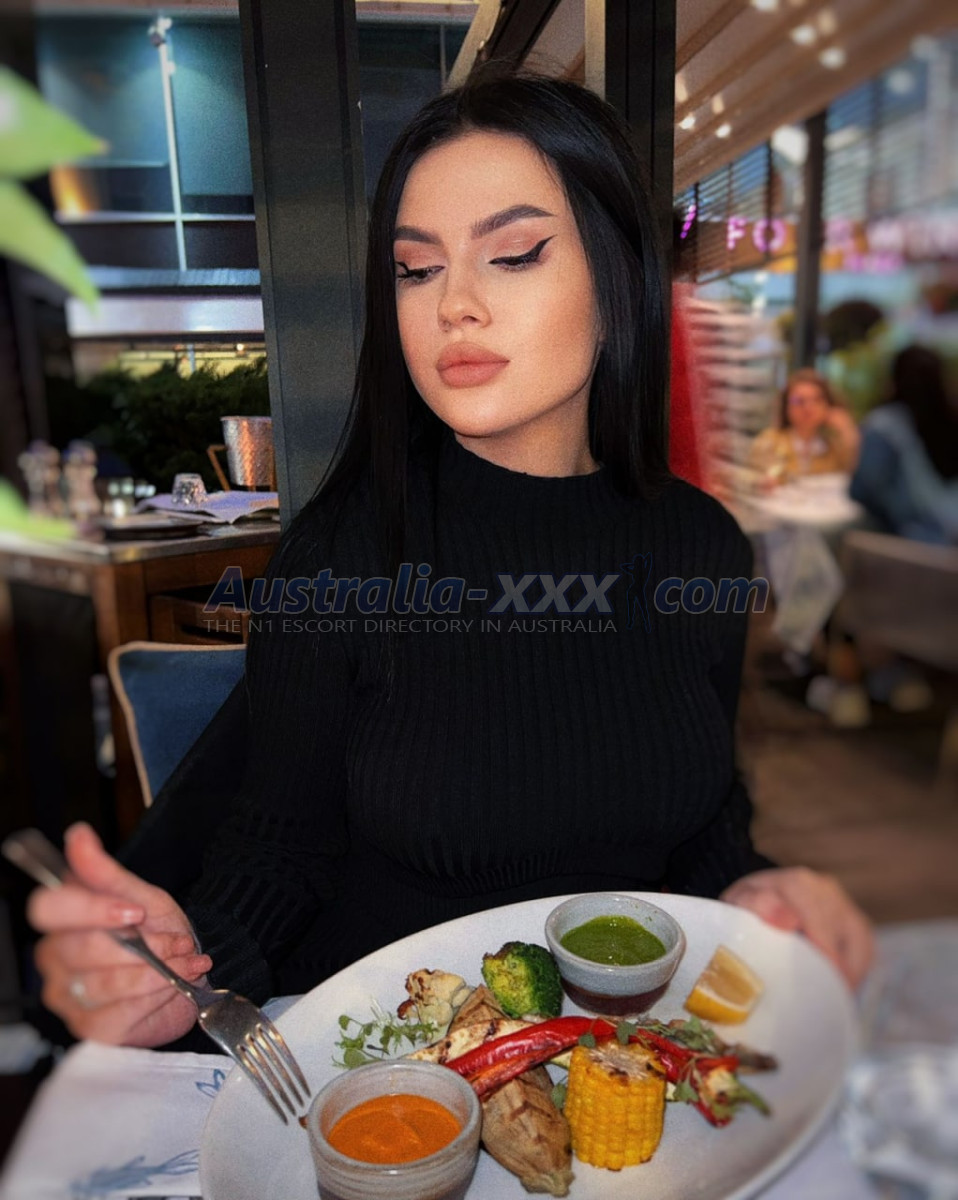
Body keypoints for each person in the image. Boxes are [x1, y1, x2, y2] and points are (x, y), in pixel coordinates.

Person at [27, 70, 873, 1050]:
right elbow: (278, 854)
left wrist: (758, 891)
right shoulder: (341, 558)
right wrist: (182, 973)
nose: (454, 306)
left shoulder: (703, 549)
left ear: (619, 279)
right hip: (391, 1068)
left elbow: (700, 829)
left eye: (512, 255)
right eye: (416, 269)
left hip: (625, 1065)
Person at [850, 344, 958, 545]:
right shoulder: (950, 421)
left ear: (894, 379)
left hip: (909, 545)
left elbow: (861, 490)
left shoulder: (884, 426)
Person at [749, 368, 860, 486]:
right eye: (798, 401)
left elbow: (858, 479)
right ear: (786, 406)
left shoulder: (836, 447)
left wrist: (847, 430)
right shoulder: (769, 441)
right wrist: (761, 482)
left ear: (828, 405)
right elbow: (750, 479)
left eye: (816, 400)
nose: (808, 408)